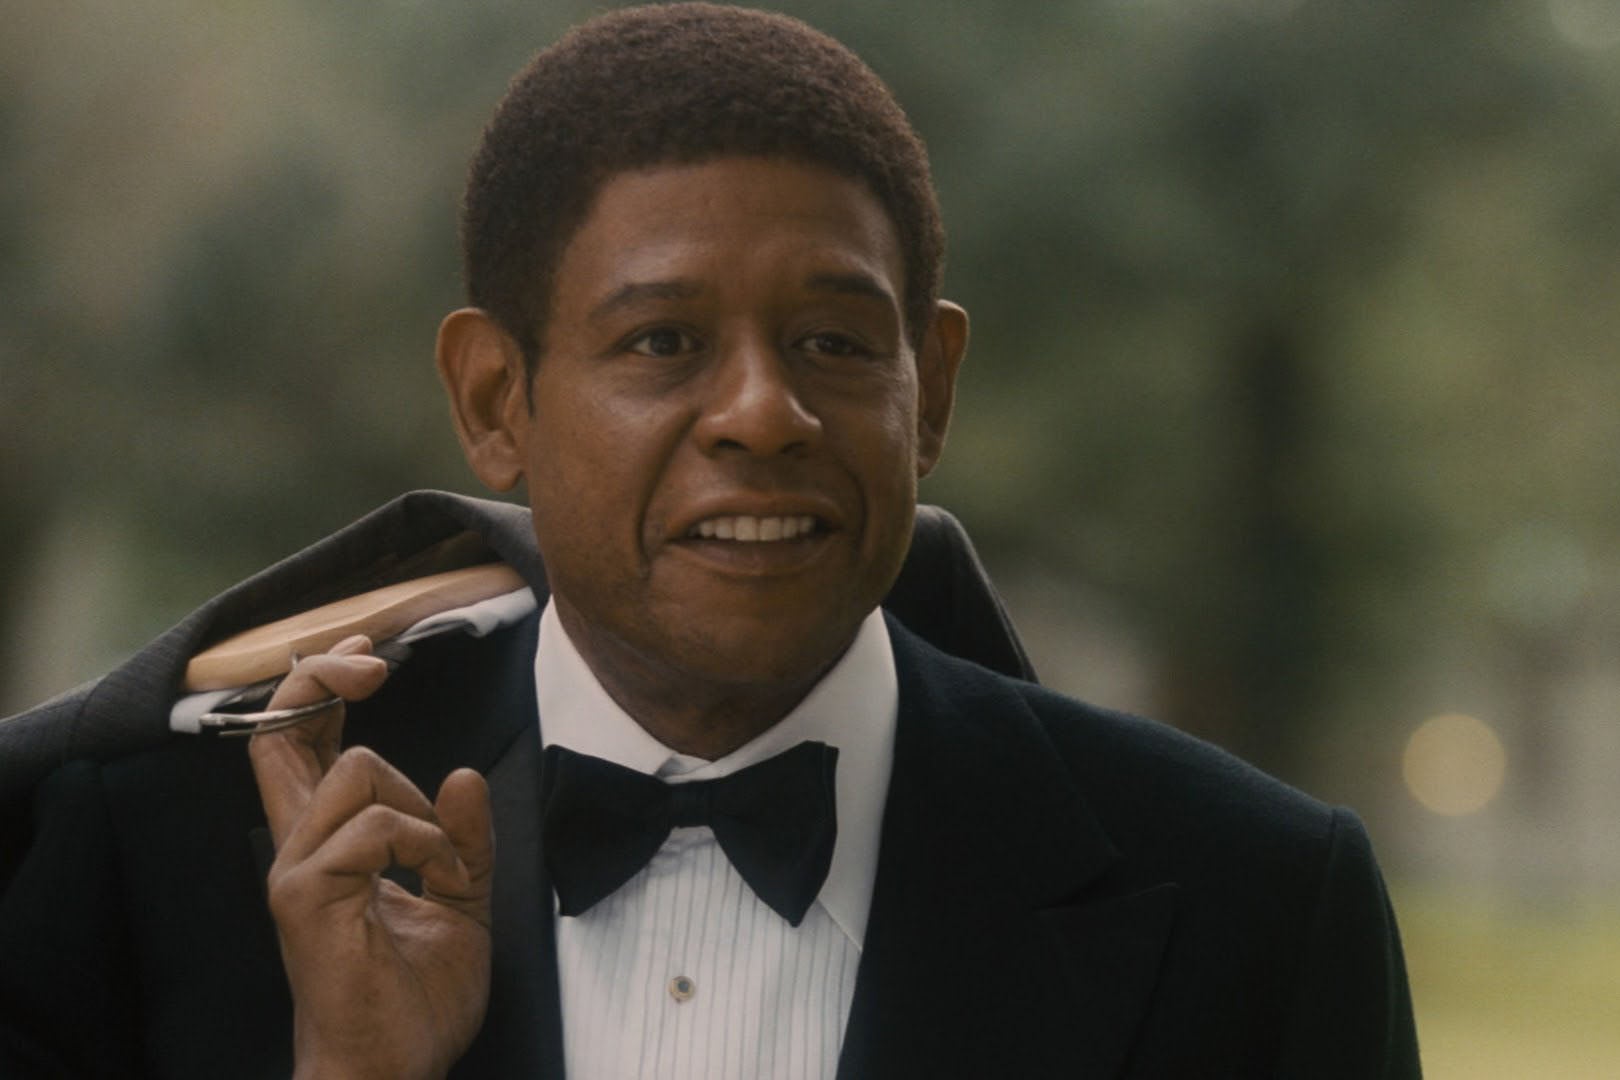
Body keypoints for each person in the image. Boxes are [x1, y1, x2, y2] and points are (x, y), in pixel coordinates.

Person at [0, 4, 1420, 1077]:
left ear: (931, 390)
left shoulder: (1257, 906)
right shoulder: (158, 875)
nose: (763, 414)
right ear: (495, 401)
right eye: (664, 341)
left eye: (834, 342)